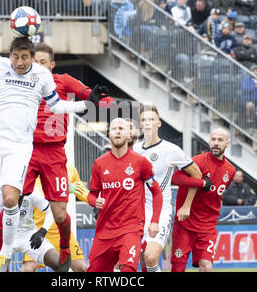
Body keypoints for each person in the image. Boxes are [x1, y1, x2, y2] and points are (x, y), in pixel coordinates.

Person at [0, 42, 113, 272]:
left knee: (60, 213)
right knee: (9, 200)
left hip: (53, 153)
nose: (34, 65)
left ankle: (64, 246)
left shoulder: (59, 80)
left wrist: (110, 105)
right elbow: (3, 115)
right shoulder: (16, 78)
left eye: (41, 62)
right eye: (33, 61)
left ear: (51, 64)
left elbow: (88, 95)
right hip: (25, 148)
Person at [86, 118, 163, 272]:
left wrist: (154, 221)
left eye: (122, 128)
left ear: (130, 134)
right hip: (104, 230)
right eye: (114, 129)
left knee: (127, 269)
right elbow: (91, 196)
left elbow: (157, 193)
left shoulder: (141, 162)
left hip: (131, 228)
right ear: (109, 134)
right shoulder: (99, 164)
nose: (118, 131)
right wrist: (96, 202)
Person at [133, 105, 202, 272]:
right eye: (144, 120)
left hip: (161, 211)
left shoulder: (171, 150)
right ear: (140, 125)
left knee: (151, 256)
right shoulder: (134, 149)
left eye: (151, 119)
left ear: (159, 123)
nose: (147, 123)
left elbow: (197, 175)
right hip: (137, 211)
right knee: (142, 260)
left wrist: (186, 205)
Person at [170, 128, 236, 272]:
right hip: (185, 224)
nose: (216, 143)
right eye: (213, 139)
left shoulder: (230, 171)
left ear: (227, 143)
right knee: (178, 267)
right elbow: (175, 178)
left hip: (208, 226)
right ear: (209, 141)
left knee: (206, 265)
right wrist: (201, 183)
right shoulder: (197, 161)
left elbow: (215, 196)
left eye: (220, 140)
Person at [21, 164, 88, 272]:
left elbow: (81, 191)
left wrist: (95, 202)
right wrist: (64, 188)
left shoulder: (70, 169)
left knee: (80, 268)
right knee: (28, 268)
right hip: (39, 230)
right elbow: (39, 194)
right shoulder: (36, 170)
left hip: (61, 231)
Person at [0, 188, 63, 272]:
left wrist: (42, 232)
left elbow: (51, 211)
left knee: (59, 264)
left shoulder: (32, 191)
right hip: (3, 236)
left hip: (28, 235)